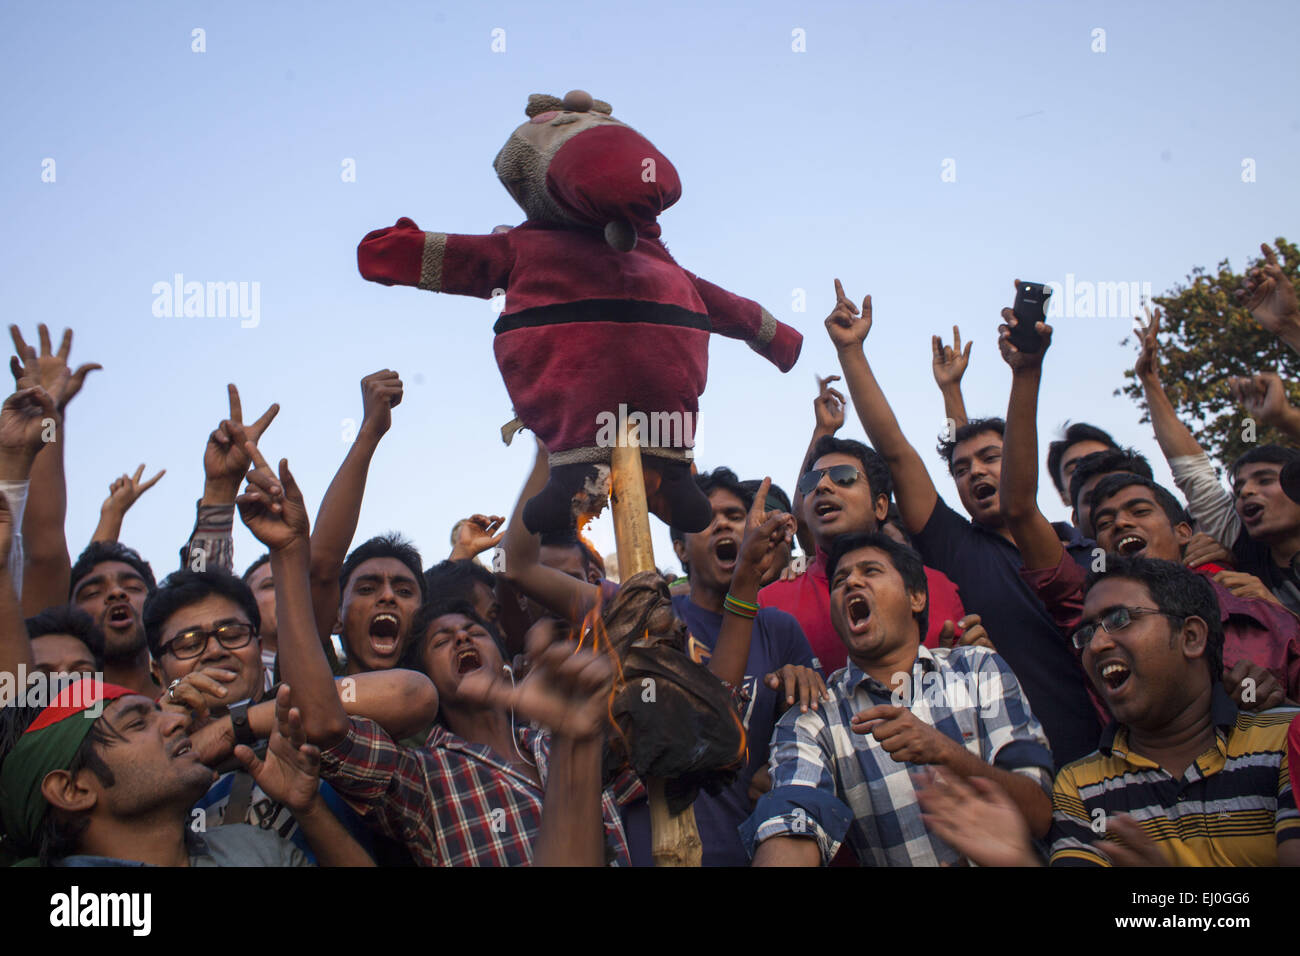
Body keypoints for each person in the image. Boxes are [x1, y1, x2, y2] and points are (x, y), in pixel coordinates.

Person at [235, 440, 630, 865]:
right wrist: (289, 553)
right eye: (441, 641)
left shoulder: (565, 732)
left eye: (473, 631)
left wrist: (581, 738)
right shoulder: (421, 776)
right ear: (421, 671)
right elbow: (320, 717)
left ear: (505, 656)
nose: (461, 639)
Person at [823, 277, 1102, 765]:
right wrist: (852, 352)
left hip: (1118, 768)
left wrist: (1003, 380)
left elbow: (1020, 501)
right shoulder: (956, 547)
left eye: (992, 457)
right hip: (1015, 777)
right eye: (960, 469)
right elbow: (896, 450)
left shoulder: (1086, 554)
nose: (975, 472)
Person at [919, 555, 1300, 867]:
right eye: (1085, 634)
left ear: (1191, 636)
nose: (1097, 644)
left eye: (1120, 620)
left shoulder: (1287, 739)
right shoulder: (1080, 786)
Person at [744, 532, 1053, 866]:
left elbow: (1038, 813)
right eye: (840, 580)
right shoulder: (815, 716)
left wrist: (948, 754)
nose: (851, 583)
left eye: (871, 571)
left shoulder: (978, 669)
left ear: (916, 597)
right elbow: (793, 819)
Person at [0, 677, 373, 866]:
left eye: (160, 710)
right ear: (72, 791)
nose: (175, 724)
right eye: (136, 724)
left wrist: (308, 809)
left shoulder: (251, 850)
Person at [759, 430, 969, 675]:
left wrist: (968, 659)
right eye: (810, 482)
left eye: (843, 477)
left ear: (880, 506)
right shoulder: (771, 602)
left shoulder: (938, 586)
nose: (822, 486)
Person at [1136, 308, 1300, 613]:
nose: (1246, 492)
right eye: (1238, 489)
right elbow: (1193, 472)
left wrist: (1277, 612)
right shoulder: (1243, 544)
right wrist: (1149, 381)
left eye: (1264, 480)